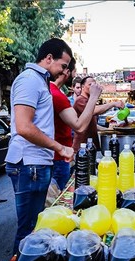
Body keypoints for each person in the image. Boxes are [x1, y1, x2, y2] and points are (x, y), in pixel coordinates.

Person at [5, 38, 75, 255]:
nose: (64, 71)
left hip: (35, 164)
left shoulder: (39, 80)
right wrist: (59, 148)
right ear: (48, 58)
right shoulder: (30, 80)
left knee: (34, 228)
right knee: (28, 231)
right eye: (63, 65)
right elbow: (24, 127)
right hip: (29, 164)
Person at [51, 59, 103, 190]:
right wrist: (94, 97)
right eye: (74, 72)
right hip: (61, 155)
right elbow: (79, 125)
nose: (75, 76)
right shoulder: (61, 96)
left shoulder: (55, 92)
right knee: (63, 193)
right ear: (66, 71)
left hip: (62, 153)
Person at [72, 76, 124, 153]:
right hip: (82, 147)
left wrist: (109, 130)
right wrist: (113, 104)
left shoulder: (89, 101)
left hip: (92, 145)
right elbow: (94, 110)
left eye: (94, 84)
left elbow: (93, 125)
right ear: (83, 87)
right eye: (90, 85)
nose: (93, 87)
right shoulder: (80, 100)